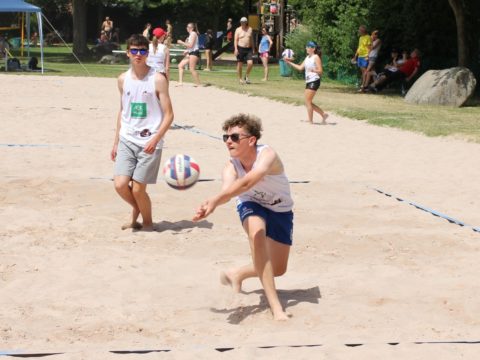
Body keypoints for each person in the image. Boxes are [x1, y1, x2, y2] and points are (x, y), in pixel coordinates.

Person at [193, 114, 294, 321]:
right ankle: (276, 308)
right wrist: (211, 204)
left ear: (251, 140)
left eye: (235, 137)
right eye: (226, 137)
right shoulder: (231, 166)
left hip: (280, 209)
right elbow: (229, 190)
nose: (228, 141)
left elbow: (248, 182)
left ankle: (236, 274)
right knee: (257, 235)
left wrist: (215, 200)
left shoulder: (267, 155)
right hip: (251, 204)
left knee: (279, 269)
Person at [110, 34, 174, 231]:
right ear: (128, 53)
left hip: (149, 141)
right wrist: (115, 141)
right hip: (127, 138)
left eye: (142, 51)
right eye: (134, 51)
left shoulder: (158, 79)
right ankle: (138, 212)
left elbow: (169, 115)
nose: (138, 55)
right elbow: (123, 111)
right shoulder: (122, 80)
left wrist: (156, 139)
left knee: (138, 189)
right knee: (120, 185)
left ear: (148, 53)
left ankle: (147, 224)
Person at [285, 41, 329, 124]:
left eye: (308, 47)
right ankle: (323, 114)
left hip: (314, 80)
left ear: (313, 48)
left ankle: (310, 121)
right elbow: (300, 68)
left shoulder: (316, 57)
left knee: (307, 102)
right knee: (308, 101)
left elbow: (320, 71)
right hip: (309, 81)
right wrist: (289, 62)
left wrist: (313, 70)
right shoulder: (307, 57)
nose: (306, 48)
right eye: (306, 46)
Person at [234, 17, 255, 84]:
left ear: (246, 22)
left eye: (244, 22)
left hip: (248, 49)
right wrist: (236, 49)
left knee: (250, 63)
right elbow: (235, 40)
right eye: (242, 22)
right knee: (240, 64)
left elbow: (252, 40)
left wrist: (253, 48)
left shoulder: (250, 29)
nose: (243, 23)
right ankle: (240, 79)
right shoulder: (238, 30)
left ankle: (246, 75)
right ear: (240, 22)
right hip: (240, 48)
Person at [351, 25, 371, 91]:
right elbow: (359, 47)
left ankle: (364, 86)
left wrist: (368, 56)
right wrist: (355, 56)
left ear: (363, 30)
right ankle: (363, 86)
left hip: (365, 56)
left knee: (365, 71)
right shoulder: (360, 38)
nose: (359, 31)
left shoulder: (368, 37)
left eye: (359, 30)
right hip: (360, 56)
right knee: (362, 72)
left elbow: (369, 48)